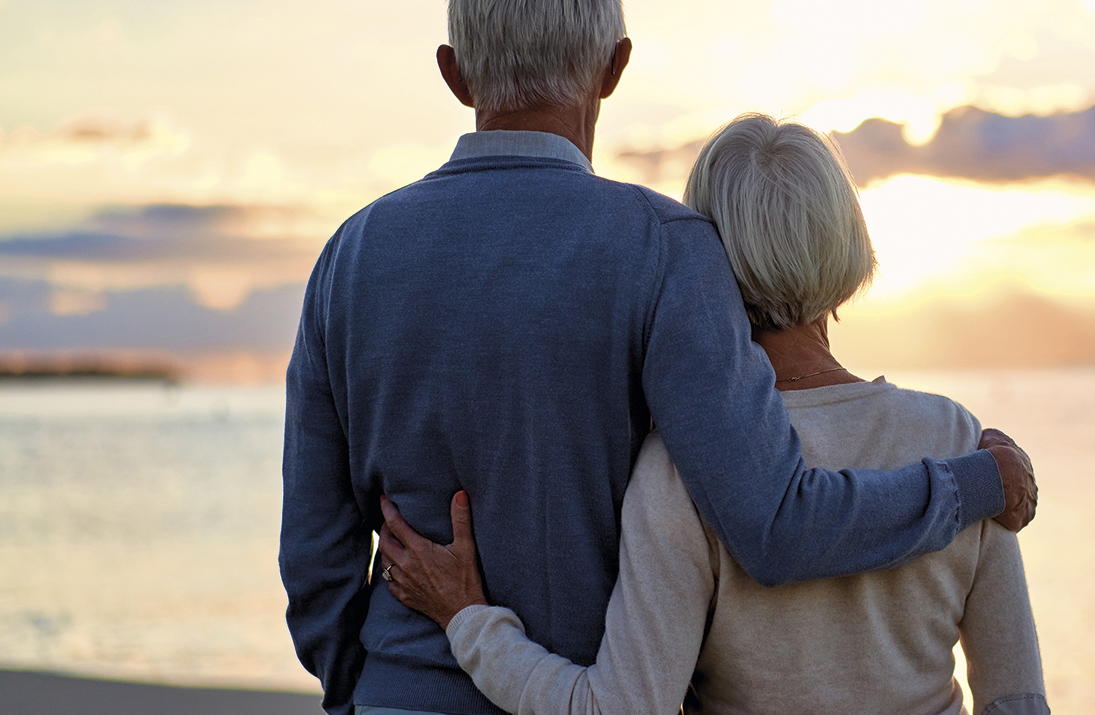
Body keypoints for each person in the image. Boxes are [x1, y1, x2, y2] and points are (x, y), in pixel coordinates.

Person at [278, 0, 1037, 715]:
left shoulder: (350, 256)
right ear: (614, 67)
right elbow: (772, 523)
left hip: (399, 693)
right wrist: (970, 484)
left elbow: (314, 556)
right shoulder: (663, 248)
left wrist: (356, 689)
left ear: (453, 72)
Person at [378, 114, 1049, 715]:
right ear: (846, 240)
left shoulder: (683, 466)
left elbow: (619, 709)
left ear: (706, 261)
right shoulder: (962, 443)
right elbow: (1015, 698)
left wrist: (468, 620)